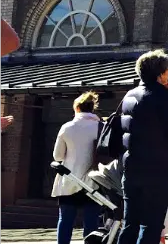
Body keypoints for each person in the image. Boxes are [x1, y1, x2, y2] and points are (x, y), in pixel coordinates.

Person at [118, 50, 168, 244]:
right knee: (152, 224)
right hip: (156, 168)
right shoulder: (162, 96)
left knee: (130, 223)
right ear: (161, 73)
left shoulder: (130, 95)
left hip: (131, 166)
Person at [53, 92, 102, 244]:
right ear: (92, 108)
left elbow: (58, 156)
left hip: (69, 179)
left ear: (77, 108)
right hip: (94, 182)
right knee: (92, 222)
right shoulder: (102, 127)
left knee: (65, 220)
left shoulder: (67, 127)